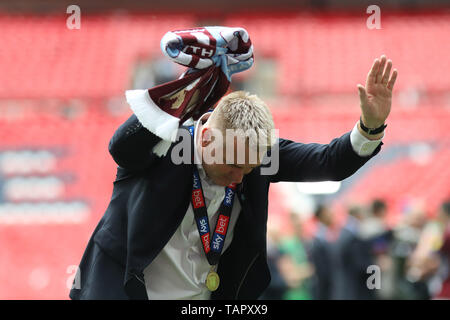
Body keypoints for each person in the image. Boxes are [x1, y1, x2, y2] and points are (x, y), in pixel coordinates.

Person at [70, 55, 398, 299]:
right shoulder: (167, 142)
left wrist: (370, 126)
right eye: (231, 164)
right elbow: (122, 147)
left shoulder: (258, 154)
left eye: (248, 168)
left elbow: (329, 162)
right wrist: (187, 89)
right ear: (207, 139)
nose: (239, 177)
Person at [332, 204, 376, 300]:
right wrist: (374, 265)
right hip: (353, 286)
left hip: (348, 284)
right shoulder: (351, 236)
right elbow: (359, 264)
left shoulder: (345, 233)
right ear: (358, 215)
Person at [309, 204, 335, 300]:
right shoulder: (320, 236)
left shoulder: (325, 233)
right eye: (328, 212)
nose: (332, 214)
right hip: (324, 283)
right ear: (322, 214)